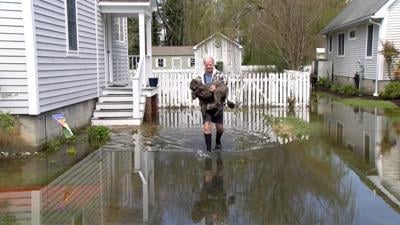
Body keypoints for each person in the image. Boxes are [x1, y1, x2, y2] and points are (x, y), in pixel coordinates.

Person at [191, 153, 235, 224]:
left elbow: (196, 205)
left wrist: (208, 211)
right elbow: (226, 206)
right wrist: (230, 201)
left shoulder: (203, 214)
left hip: (208, 191)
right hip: (218, 189)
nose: (214, 220)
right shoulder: (222, 216)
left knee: (208, 175)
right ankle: (218, 155)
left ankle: (208, 155)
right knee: (220, 170)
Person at [201, 56, 227, 152]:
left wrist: (216, 87)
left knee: (219, 128)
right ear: (204, 65)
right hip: (206, 106)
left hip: (218, 105)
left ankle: (217, 141)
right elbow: (197, 88)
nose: (208, 66)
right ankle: (208, 150)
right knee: (207, 126)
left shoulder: (219, 75)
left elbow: (225, 86)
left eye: (210, 64)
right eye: (207, 65)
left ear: (213, 64)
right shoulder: (200, 76)